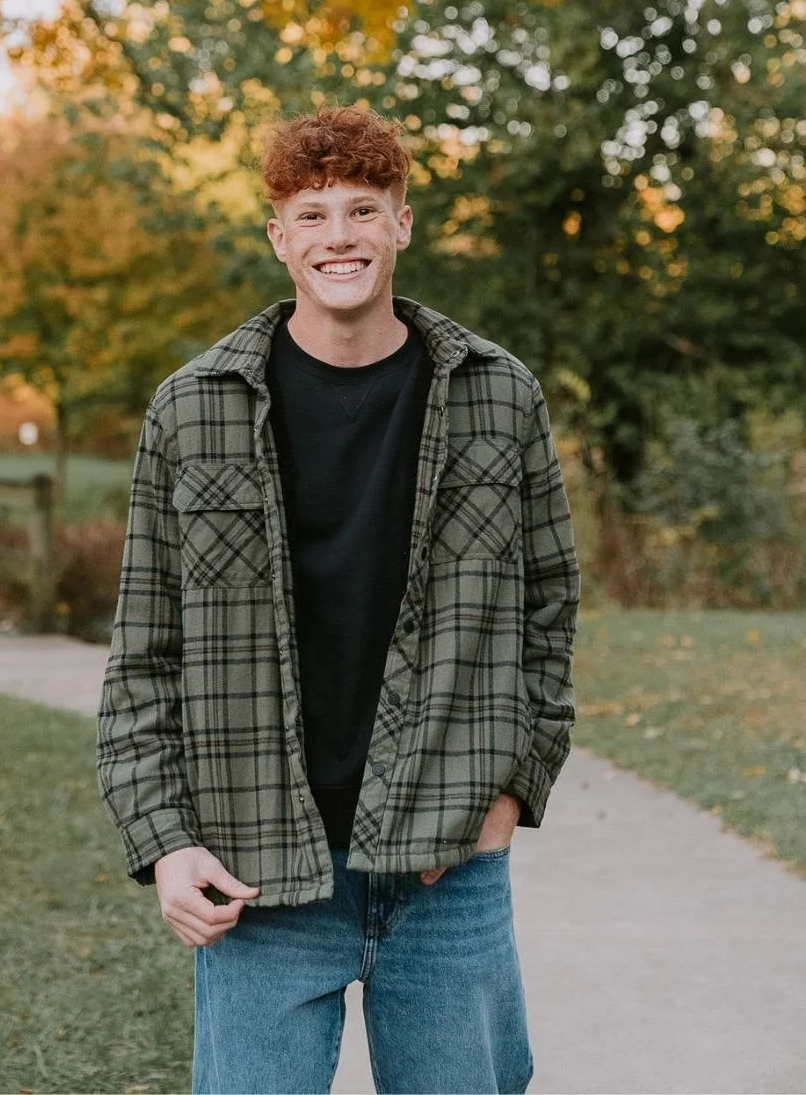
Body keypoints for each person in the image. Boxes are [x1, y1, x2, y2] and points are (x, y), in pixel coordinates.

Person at [97, 104, 579, 1095]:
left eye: (363, 209)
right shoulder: (193, 408)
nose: (340, 236)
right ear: (279, 237)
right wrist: (166, 843)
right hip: (259, 868)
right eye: (312, 216)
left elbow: (549, 609)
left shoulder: (500, 393)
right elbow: (145, 646)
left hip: (447, 872)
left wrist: (510, 790)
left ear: (403, 224)